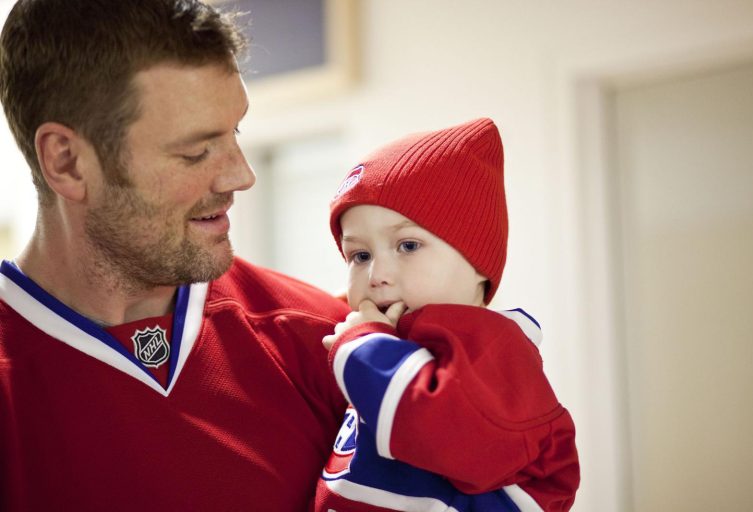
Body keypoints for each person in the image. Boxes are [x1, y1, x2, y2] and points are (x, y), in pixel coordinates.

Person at [0, 1, 349, 510]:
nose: (240, 175)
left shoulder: (330, 344)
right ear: (67, 162)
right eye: (195, 151)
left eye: (236, 133)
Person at [314, 118, 580, 511]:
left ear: (478, 266)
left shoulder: (494, 346)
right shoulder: (395, 340)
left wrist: (363, 345)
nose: (377, 276)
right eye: (360, 255)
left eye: (407, 245)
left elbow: (436, 429)